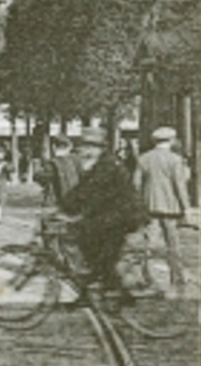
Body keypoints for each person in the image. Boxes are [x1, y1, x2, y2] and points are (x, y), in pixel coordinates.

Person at [60, 126, 145, 296]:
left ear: (96, 148)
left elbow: (95, 192)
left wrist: (75, 212)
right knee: (89, 241)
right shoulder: (96, 164)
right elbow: (82, 189)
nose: (82, 151)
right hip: (112, 214)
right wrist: (64, 205)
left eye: (85, 147)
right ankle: (101, 281)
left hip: (124, 216)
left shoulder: (107, 165)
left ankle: (109, 285)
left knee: (91, 238)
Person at [135, 126, 191, 289]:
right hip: (170, 207)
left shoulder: (143, 158)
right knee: (173, 243)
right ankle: (177, 277)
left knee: (149, 244)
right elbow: (179, 185)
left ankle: (146, 277)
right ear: (171, 141)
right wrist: (186, 208)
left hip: (149, 206)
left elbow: (136, 184)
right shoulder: (175, 159)